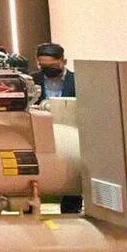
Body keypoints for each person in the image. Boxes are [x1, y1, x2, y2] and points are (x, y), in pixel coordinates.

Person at [31, 42, 80, 213]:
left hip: (70, 134)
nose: (48, 70)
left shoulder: (77, 81)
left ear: (63, 61)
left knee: (72, 170)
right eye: (43, 66)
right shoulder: (32, 81)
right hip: (40, 135)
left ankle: (71, 209)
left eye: (52, 66)